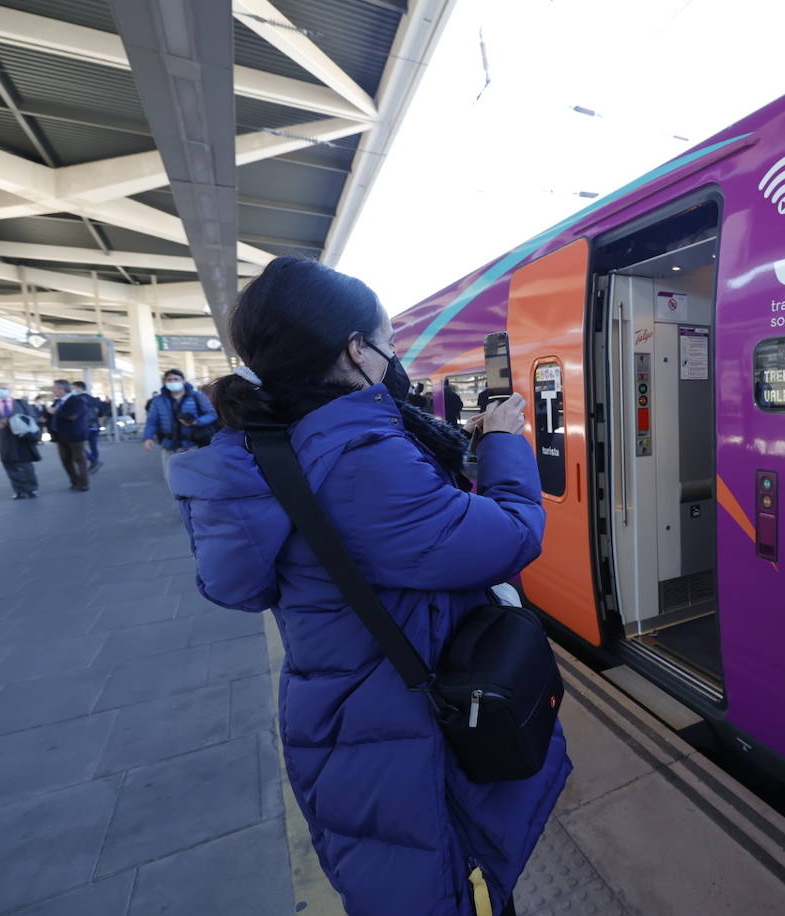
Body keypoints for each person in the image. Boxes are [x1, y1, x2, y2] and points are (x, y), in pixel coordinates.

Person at [170, 257, 568, 916]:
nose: (394, 359)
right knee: (433, 886)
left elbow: (395, 535)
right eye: (387, 343)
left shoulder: (274, 444)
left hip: (347, 713)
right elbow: (514, 536)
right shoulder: (361, 459)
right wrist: (504, 444)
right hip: (399, 732)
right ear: (356, 352)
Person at [142, 369, 216, 479]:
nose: (172, 382)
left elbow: (212, 414)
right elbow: (152, 420)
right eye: (169, 380)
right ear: (165, 382)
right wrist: (148, 437)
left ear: (183, 381)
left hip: (193, 445)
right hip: (169, 446)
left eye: (176, 379)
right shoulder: (158, 400)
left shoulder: (197, 396)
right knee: (171, 478)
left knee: (196, 478)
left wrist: (197, 422)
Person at [45, 379, 91, 492]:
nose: (53, 390)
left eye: (54, 388)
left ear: (62, 389)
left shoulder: (77, 400)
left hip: (75, 435)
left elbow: (72, 416)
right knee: (65, 460)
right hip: (60, 436)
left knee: (79, 460)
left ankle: (84, 483)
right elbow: (51, 416)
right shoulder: (57, 402)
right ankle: (74, 481)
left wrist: (55, 412)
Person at [71, 380, 104, 473]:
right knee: (93, 445)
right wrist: (99, 424)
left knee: (78, 446)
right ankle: (95, 463)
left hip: (83, 426)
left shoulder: (76, 399)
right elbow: (101, 413)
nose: (72, 390)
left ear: (79, 388)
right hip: (94, 426)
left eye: (73, 388)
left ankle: (94, 461)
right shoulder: (94, 399)